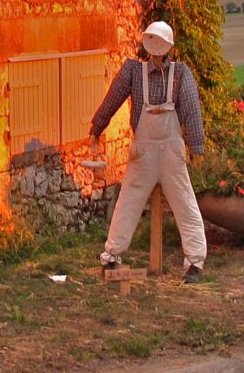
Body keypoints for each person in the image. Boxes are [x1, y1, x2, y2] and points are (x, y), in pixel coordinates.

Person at [89, 20, 208, 283]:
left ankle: (195, 263)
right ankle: (111, 256)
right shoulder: (133, 71)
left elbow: (191, 110)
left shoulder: (180, 73)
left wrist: (196, 146)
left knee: (185, 203)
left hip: (171, 154)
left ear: (168, 47)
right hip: (142, 154)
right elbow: (112, 99)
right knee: (128, 202)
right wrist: (97, 127)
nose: (156, 50)